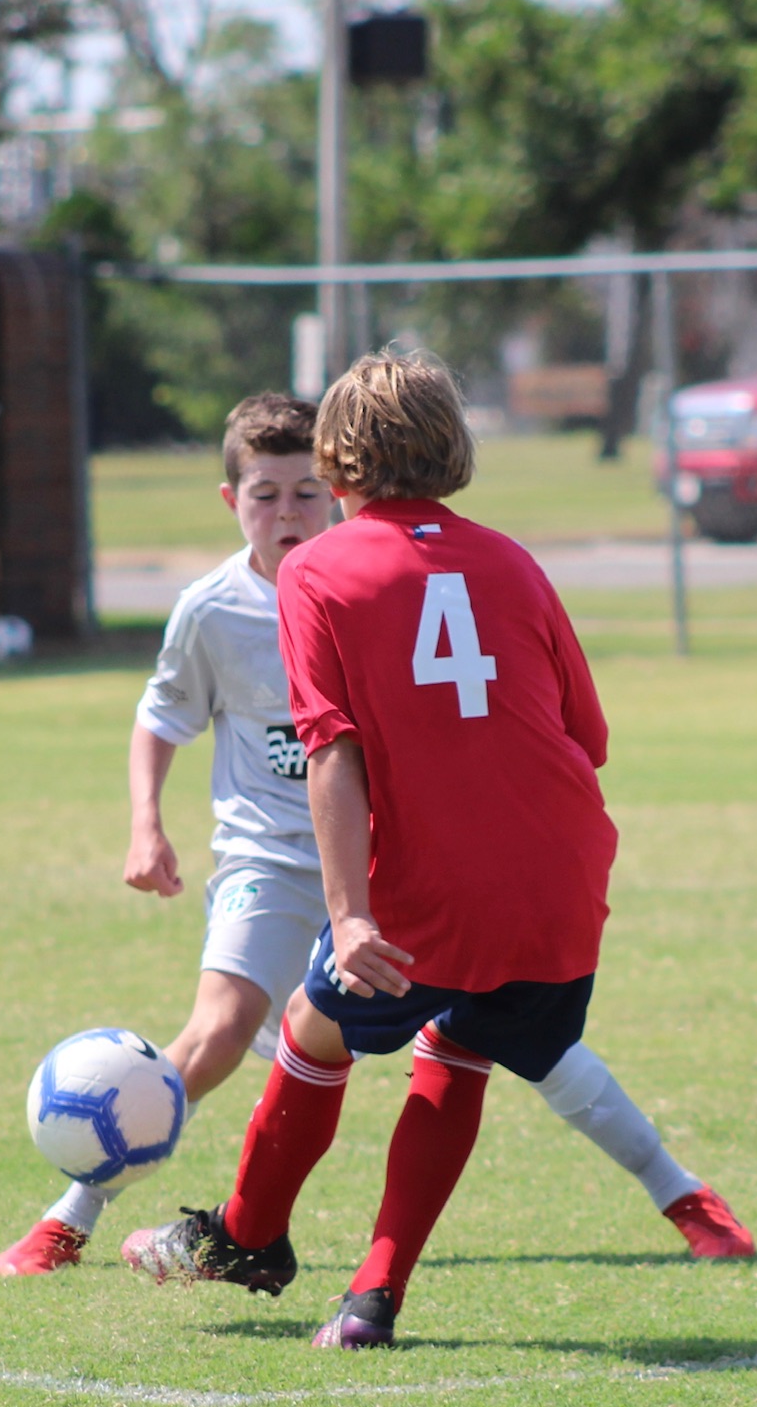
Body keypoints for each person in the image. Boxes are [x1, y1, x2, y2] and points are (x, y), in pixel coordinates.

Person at [0, 393, 753, 1275]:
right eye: (265, 495)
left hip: (401, 864)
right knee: (223, 1027)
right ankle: (72, 1215)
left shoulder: (389, 583)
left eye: (307, 492)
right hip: (275, 861)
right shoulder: (214, 609)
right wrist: (144, 827)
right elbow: (163, 717)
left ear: (342, 484)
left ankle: (680, 1192)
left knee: (536, 1050)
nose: (288, 514)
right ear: (231, 501)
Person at [118, 352, 683, 1349]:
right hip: (562, 877)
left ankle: (249, 1237)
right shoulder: (511, 561)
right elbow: (589, 739)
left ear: (335, 463)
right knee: (459, 1036)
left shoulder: (317, 570)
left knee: (314, 1025)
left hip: (433, 889)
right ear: (452, 448)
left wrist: (349, 914)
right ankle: (372, 1297)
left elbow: (331, 752)